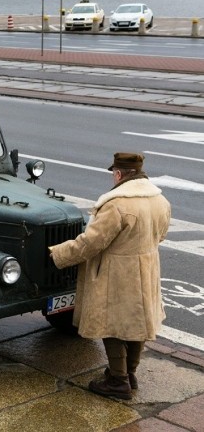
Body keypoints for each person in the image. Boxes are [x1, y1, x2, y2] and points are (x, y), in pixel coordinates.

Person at [49, 152, 171, 400]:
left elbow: (91, 243)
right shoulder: (160, 201)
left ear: (118, 174)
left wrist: (58, 254)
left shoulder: (117, 205)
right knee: (138, 323)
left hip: (118, 273)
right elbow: (161, 235)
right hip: (147, 268)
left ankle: (117, 380)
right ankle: (130, 373)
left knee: (111, 323)